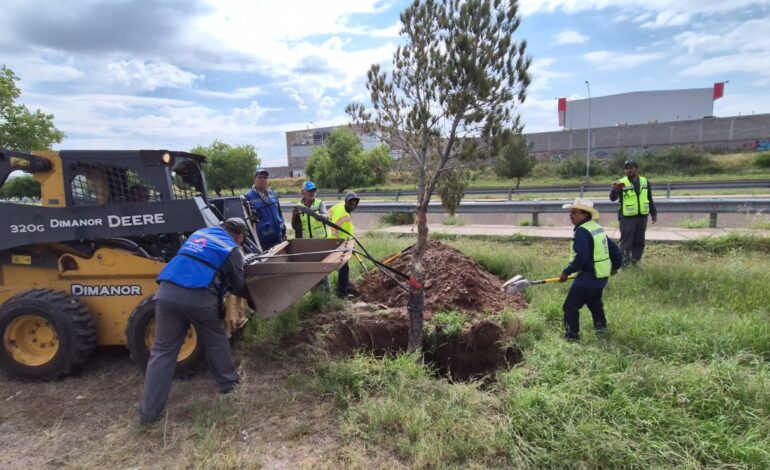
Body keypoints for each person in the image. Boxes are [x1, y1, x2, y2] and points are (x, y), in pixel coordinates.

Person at [139, 217, 248, 424]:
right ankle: (228, 383)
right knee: (216, 339)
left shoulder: (199, 234)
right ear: (240, 236)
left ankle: (148, 414)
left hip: (166, 293)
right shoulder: (232, 249)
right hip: (199, 296)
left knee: (162, 352)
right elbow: (238, 284)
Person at [559, 198, 623, 341]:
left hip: (588, 278)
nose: (571, 215)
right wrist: (615, 267)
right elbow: (615, 251)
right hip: (600, 277)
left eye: (574, 212)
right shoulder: (596, 228)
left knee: (570, 307)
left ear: (585, 214)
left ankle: (571, 337)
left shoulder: (582, 231)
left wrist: (566, 271)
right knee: (595, 304)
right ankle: (602, 331)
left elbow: (582, 259)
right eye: (571, 212)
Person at [609, 159, 657, 265]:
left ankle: (635, 261)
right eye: (626, 168)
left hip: (642, 216)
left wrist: (653, 213)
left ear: (637, 169)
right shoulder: (621, 182)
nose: (629, 170)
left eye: (631, 168)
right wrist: (614, 190)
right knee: (626, 241)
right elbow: (612, 198)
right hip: (627, 217)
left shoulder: (645, 181)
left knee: (639, 241)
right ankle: (623, 263)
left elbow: (649, 198)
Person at [244, 168, 286, 251]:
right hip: (263, 241)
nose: (263, 179)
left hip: (279, 236)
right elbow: (248, 223)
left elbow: (279, 213)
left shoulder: (273, 194)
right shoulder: (248, 197)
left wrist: (284, 230)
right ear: (254, 179)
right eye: (260, 177)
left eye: (265, 178)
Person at [327, 192, 360, 298]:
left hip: (339, 242)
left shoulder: (340, 205)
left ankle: (340, 290)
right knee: (343, 268)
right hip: (338, 243)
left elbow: (330, 212)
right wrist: (346, 245)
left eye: (355, 204)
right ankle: (342, 294)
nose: (353, 206)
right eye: (351, 203)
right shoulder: (344, 215)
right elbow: (335, 230)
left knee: (341, 268)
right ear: (347, 202)